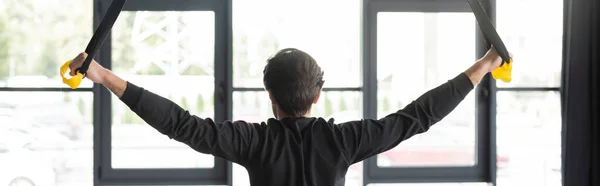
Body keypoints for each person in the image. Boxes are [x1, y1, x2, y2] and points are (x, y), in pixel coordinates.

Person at [69, 47, 505, 186]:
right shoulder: (344, 141)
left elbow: (179, 124)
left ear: (269, 95)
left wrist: (103, 74)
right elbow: (419, 116)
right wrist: (483, 65)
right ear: (318, 97)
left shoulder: (253, 142)